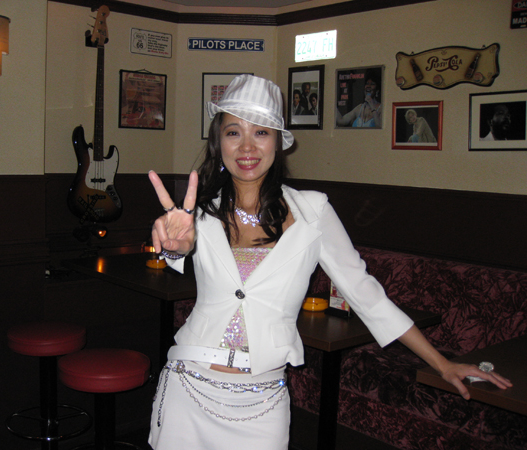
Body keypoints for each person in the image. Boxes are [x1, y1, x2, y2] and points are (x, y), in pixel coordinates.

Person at [147, 75, 511, 450]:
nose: (247, 146)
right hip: (188, 388)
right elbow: (178, 250)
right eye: (233, 132)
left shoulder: (313, 211)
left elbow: (367, 295)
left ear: (277, 141)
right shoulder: (196, 215)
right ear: (218, 141)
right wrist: (174, 247)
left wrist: (443, 364)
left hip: (262, 402)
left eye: (261, 132)